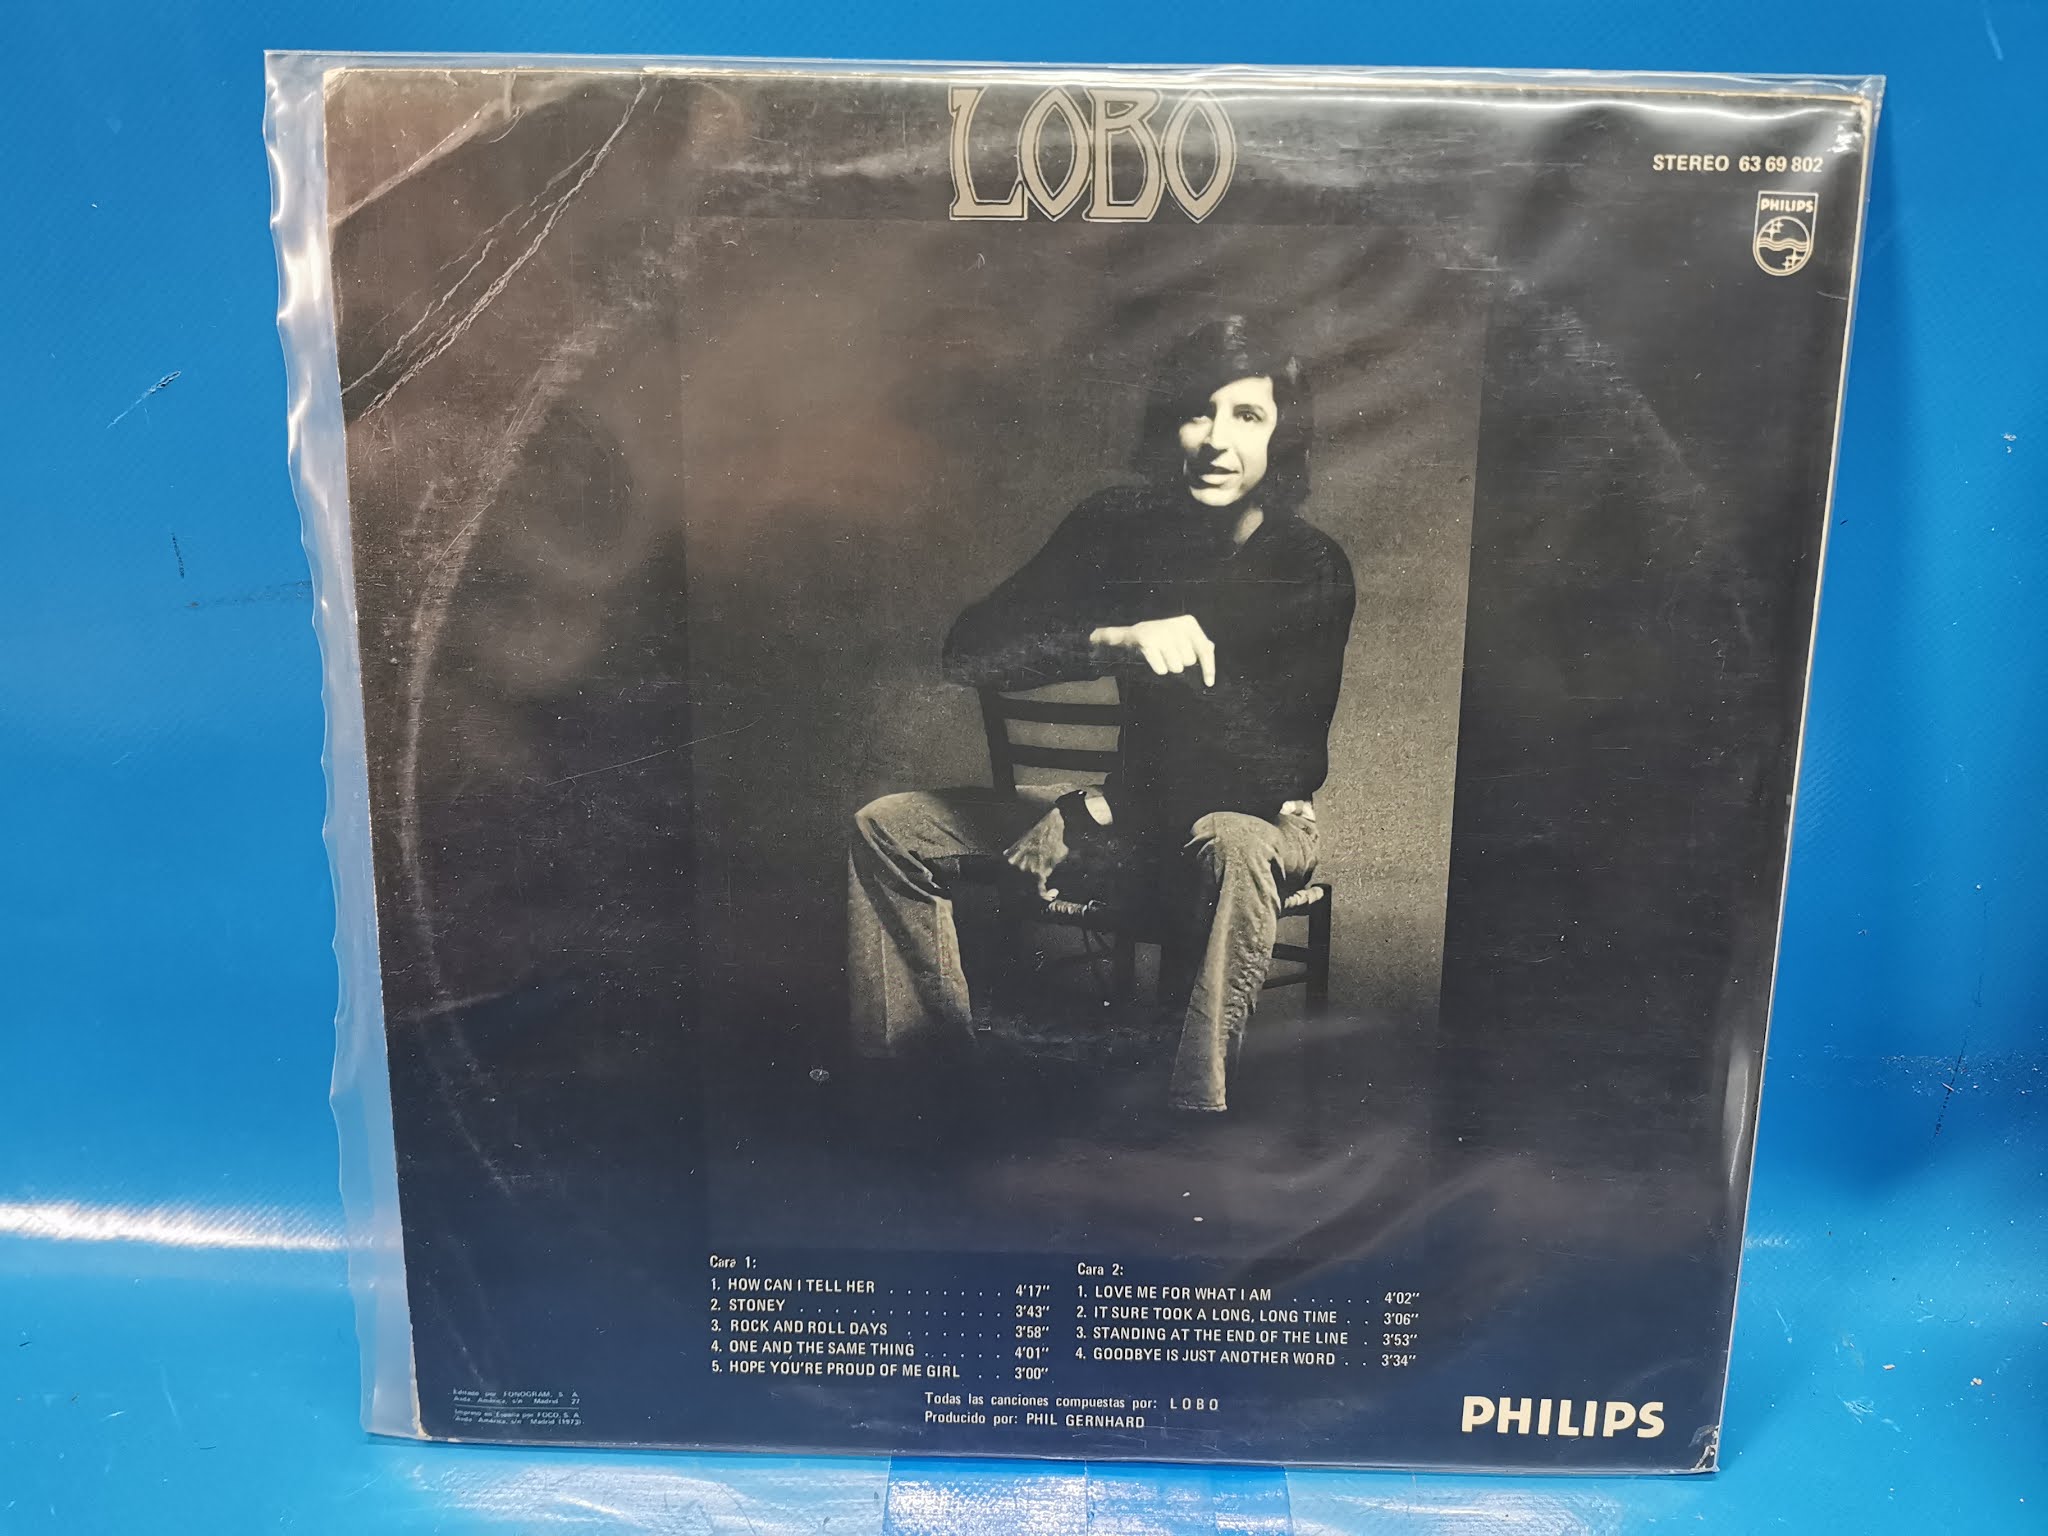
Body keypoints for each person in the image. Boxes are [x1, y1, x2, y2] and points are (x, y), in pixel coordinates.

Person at [848, 317, 1355, 1112]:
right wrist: (1109, 640)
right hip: (1127, 819)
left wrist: (1085, 813)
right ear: (1169, 423)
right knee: (889, 827)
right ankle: (925, 1076)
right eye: (1198, 411)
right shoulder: (1119, 525)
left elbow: (1279, 768)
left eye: (1248, 415)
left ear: (1284, 437)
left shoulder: (1309, 564)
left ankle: (1191, 1116)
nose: (1217, 440)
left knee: (1231, 840)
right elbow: (969, 650)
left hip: (1248, 820)